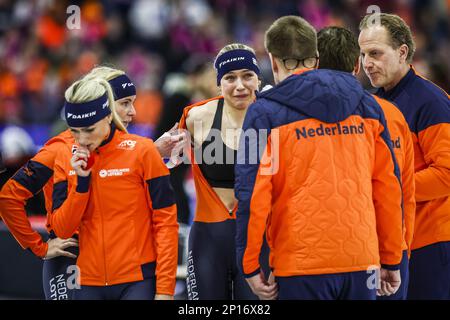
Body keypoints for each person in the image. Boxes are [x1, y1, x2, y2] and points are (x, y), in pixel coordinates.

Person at [235, 15, 404, 300]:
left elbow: (252, 193)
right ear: (315, 58)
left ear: (273, 61)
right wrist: (391, 258)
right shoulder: (368, 105)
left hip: (300, 265)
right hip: (363, 262)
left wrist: (249, 265)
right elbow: (387, 187)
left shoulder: (261, 113)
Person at [0, 66, 181, 300]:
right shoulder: (60, 149)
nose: (132, 111)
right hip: (72, 262)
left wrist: (153, 151)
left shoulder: (137, 148)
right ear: (104, 103)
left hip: (124, 269)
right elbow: (9, 196)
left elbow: (119, 166)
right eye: (124, 103)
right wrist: (38, 246)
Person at [48, 76, 178, 300]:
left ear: (108, 115)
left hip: (137, 280)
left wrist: (165, 290)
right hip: (86, 281)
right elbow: (61, 231)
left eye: (89, 129)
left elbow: (166, 224)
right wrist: (81, 184)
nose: (81, 139)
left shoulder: (143, 151)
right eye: (74, 131)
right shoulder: (65, 158)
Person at [317, 26, 416, 300]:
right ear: (355, 66)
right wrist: (395, 254)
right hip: (379, 254)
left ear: (313, 63)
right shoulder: (389, 115)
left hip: (313, 258)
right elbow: (398, 194)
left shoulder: (289, 115)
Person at [358, 13, 450, 300]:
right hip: (396, 243)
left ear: (402, 52)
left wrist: (389, 188)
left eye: (375, 53)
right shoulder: (373, 103)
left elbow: (446, 174)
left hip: (431, 241)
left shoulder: (432, 102)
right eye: (362, 54)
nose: (367, 63)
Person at [177, 43, 269, 300]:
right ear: (219, 83)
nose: (240, 85)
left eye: (247, 76)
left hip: (258, 238)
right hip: (209, 237)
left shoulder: (276, 117)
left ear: (258, 79)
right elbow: (163, 165)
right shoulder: (197, 117)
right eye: (230, 78)